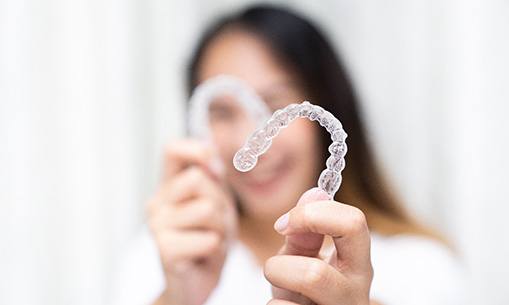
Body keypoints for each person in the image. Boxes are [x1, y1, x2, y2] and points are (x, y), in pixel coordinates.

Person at [111, 5, 465, 305]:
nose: (249, 139)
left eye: (275, 104)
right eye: (222, 112)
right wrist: (178, 297)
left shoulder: (422, 270)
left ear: (326, 104)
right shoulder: (159, 259)